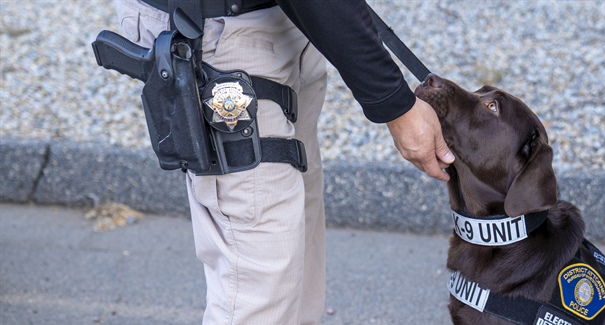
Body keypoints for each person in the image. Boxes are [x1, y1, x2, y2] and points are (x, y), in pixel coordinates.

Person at [113, 0, 454, 323]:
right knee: (260, 286)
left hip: (292, 20)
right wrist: (395, 105)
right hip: (222, 35)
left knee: (295, 267)